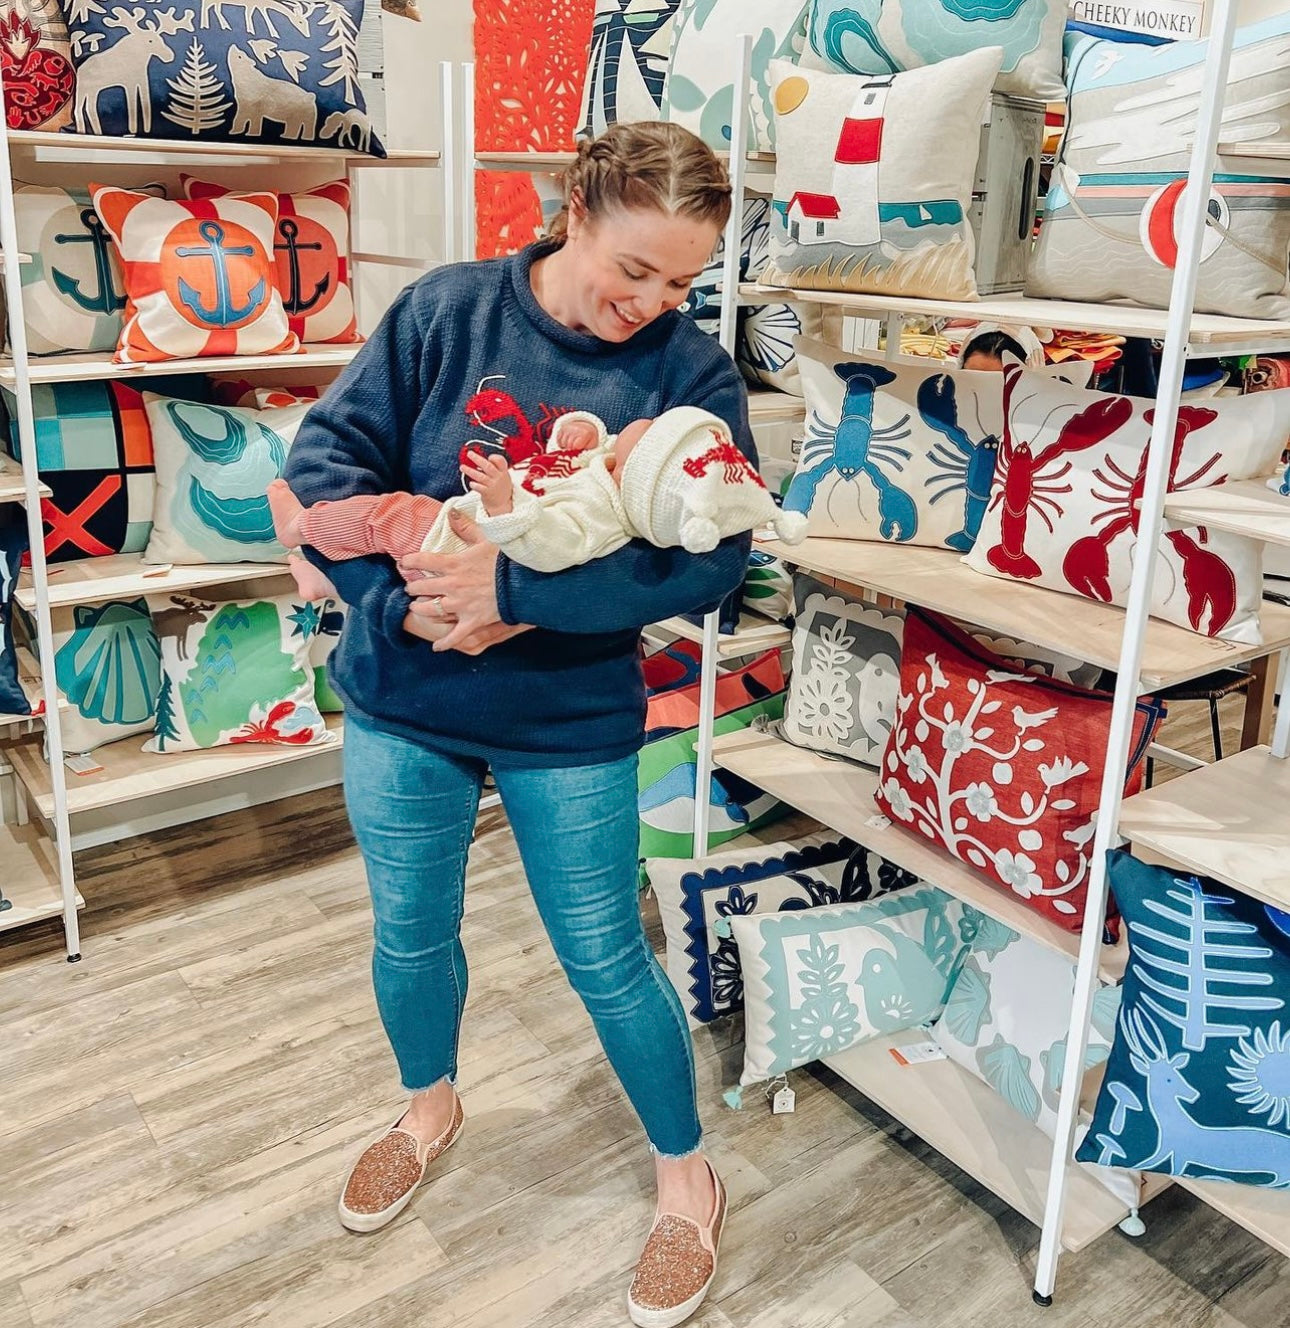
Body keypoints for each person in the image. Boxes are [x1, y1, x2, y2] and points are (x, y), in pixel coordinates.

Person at [282, 120, 751, 1328]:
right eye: (633, 268)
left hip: (569, 714)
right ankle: (427, 1104)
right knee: (409, 929)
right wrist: (420, 599)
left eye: (681, 282)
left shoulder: (690, 372)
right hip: (404, 698)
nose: (650, 303)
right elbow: (330, 459)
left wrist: (518, 598)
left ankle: (686, 1176)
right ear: (573, 210)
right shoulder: (446, 310)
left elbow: (716, 561)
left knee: (604, 956)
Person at [269, 406, 803, 600]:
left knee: (385, 516)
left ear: (639, 480)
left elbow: (549, 548)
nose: (643, 423)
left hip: (449, 541)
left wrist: (504, 505)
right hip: (459, 528)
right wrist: (578, 429)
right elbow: (570, 452)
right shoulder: (604, 462)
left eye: (650, 436)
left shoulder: (601, 516)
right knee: (377, 531)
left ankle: (300, 528)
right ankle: (324, 572)